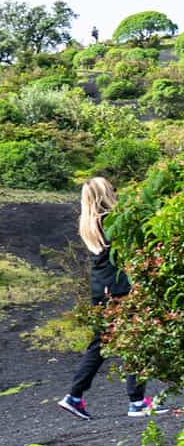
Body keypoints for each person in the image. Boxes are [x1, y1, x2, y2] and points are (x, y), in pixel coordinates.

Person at [59, 175, 155, 420]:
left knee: (101, 343)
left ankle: (75, 395)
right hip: (118, 289)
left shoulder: (89, 222)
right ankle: (136, 401)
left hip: (100, 290)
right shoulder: (111, 221)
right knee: (135, 340)